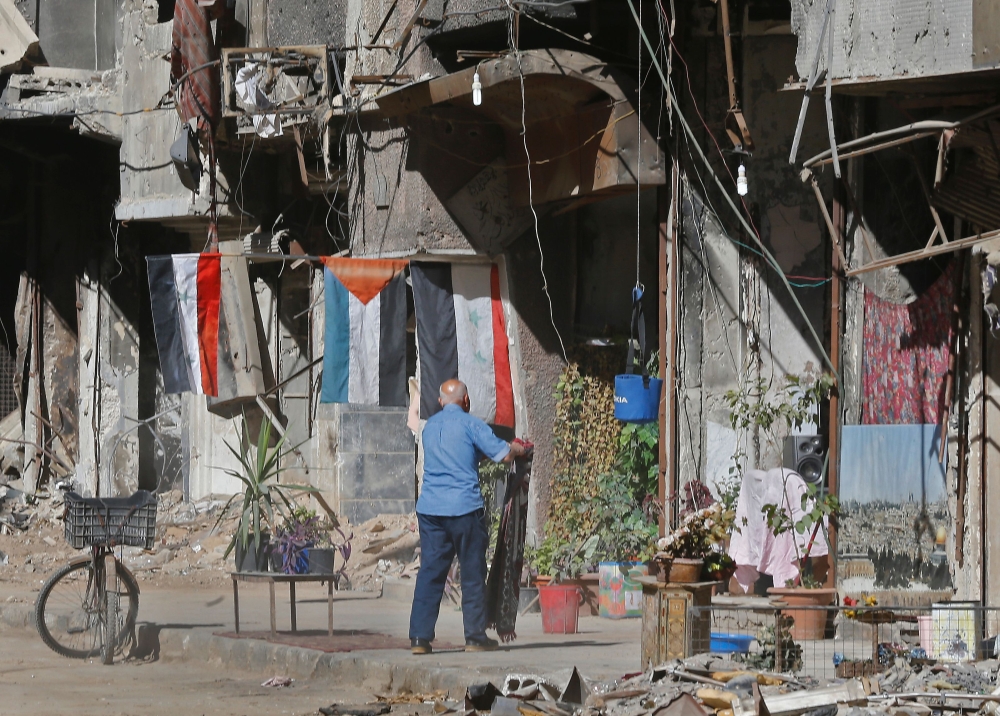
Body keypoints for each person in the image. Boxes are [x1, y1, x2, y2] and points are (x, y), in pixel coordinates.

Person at [409, 379, 525, 654]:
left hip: (430, 510)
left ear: (439, 402)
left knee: (430, 573)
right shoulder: (472, 424)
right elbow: (504, 455)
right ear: (467, 401)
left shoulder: (429, 427)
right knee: (472, 573)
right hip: (463, 509)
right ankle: (474, 637)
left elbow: (458, 456)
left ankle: (419, 639)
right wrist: (519, 448)